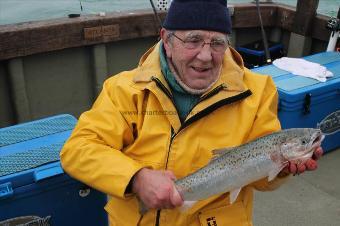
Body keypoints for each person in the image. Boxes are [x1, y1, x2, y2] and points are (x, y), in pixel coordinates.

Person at [60, 0, 323, 225]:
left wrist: (286, 168)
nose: (206, 56)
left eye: (217, 43)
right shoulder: (123, 90)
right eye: (193, 40)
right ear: (166, 39)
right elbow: (78, 149)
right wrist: (135, 179)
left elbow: (261, 179)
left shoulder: (258, 91)